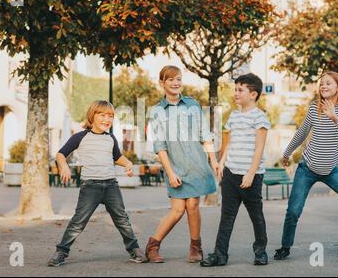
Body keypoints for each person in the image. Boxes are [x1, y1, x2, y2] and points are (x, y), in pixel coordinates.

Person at [274, 71, 338, 264]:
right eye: (321, 83)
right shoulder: (314, 107)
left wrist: (334, 116)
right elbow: (302, 132)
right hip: (307, 169)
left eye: (328, 83)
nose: (323, 86)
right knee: (293, 211)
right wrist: (286, 153)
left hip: (331, 170)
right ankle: (285, 247)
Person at [47, 100, 147, 266]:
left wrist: (128, 164)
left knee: (122, 219)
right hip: (90, 186)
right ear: (92, 116)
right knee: (78, 222)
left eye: (110, 116)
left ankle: (134, 250)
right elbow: (60, 154)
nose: (107, 119)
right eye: (102, 115)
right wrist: (63, 166)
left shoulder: (110, 138)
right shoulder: (80, 136)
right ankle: (61, 252)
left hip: (111, 186)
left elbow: (117, 157)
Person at [145, 65, 218, 263]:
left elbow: (205, 135)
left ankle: (196, 247)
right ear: (162, 83)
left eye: (178, 79)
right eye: (171, 79)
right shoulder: (157, 111)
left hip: (196, 166)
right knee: (177, 210)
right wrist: (170, 173)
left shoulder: (193, 105)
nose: (176, 83)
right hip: (174, 167)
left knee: (193, 205)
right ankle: (152, 246)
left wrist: (214, 160)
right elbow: (160, 147)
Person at [200, 73, 271, 267]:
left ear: (253, 94)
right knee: (227, 216)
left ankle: (261, 251)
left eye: (240, 90)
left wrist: (250, 173)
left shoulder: (260, 117)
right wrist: (222, 162)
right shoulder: (234, 116)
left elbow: (259, 148)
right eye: (236, 89)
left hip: (251, 177)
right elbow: (229, 143)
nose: (236, 93)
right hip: (231, 174)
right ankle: (220, 254)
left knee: (256, 215)